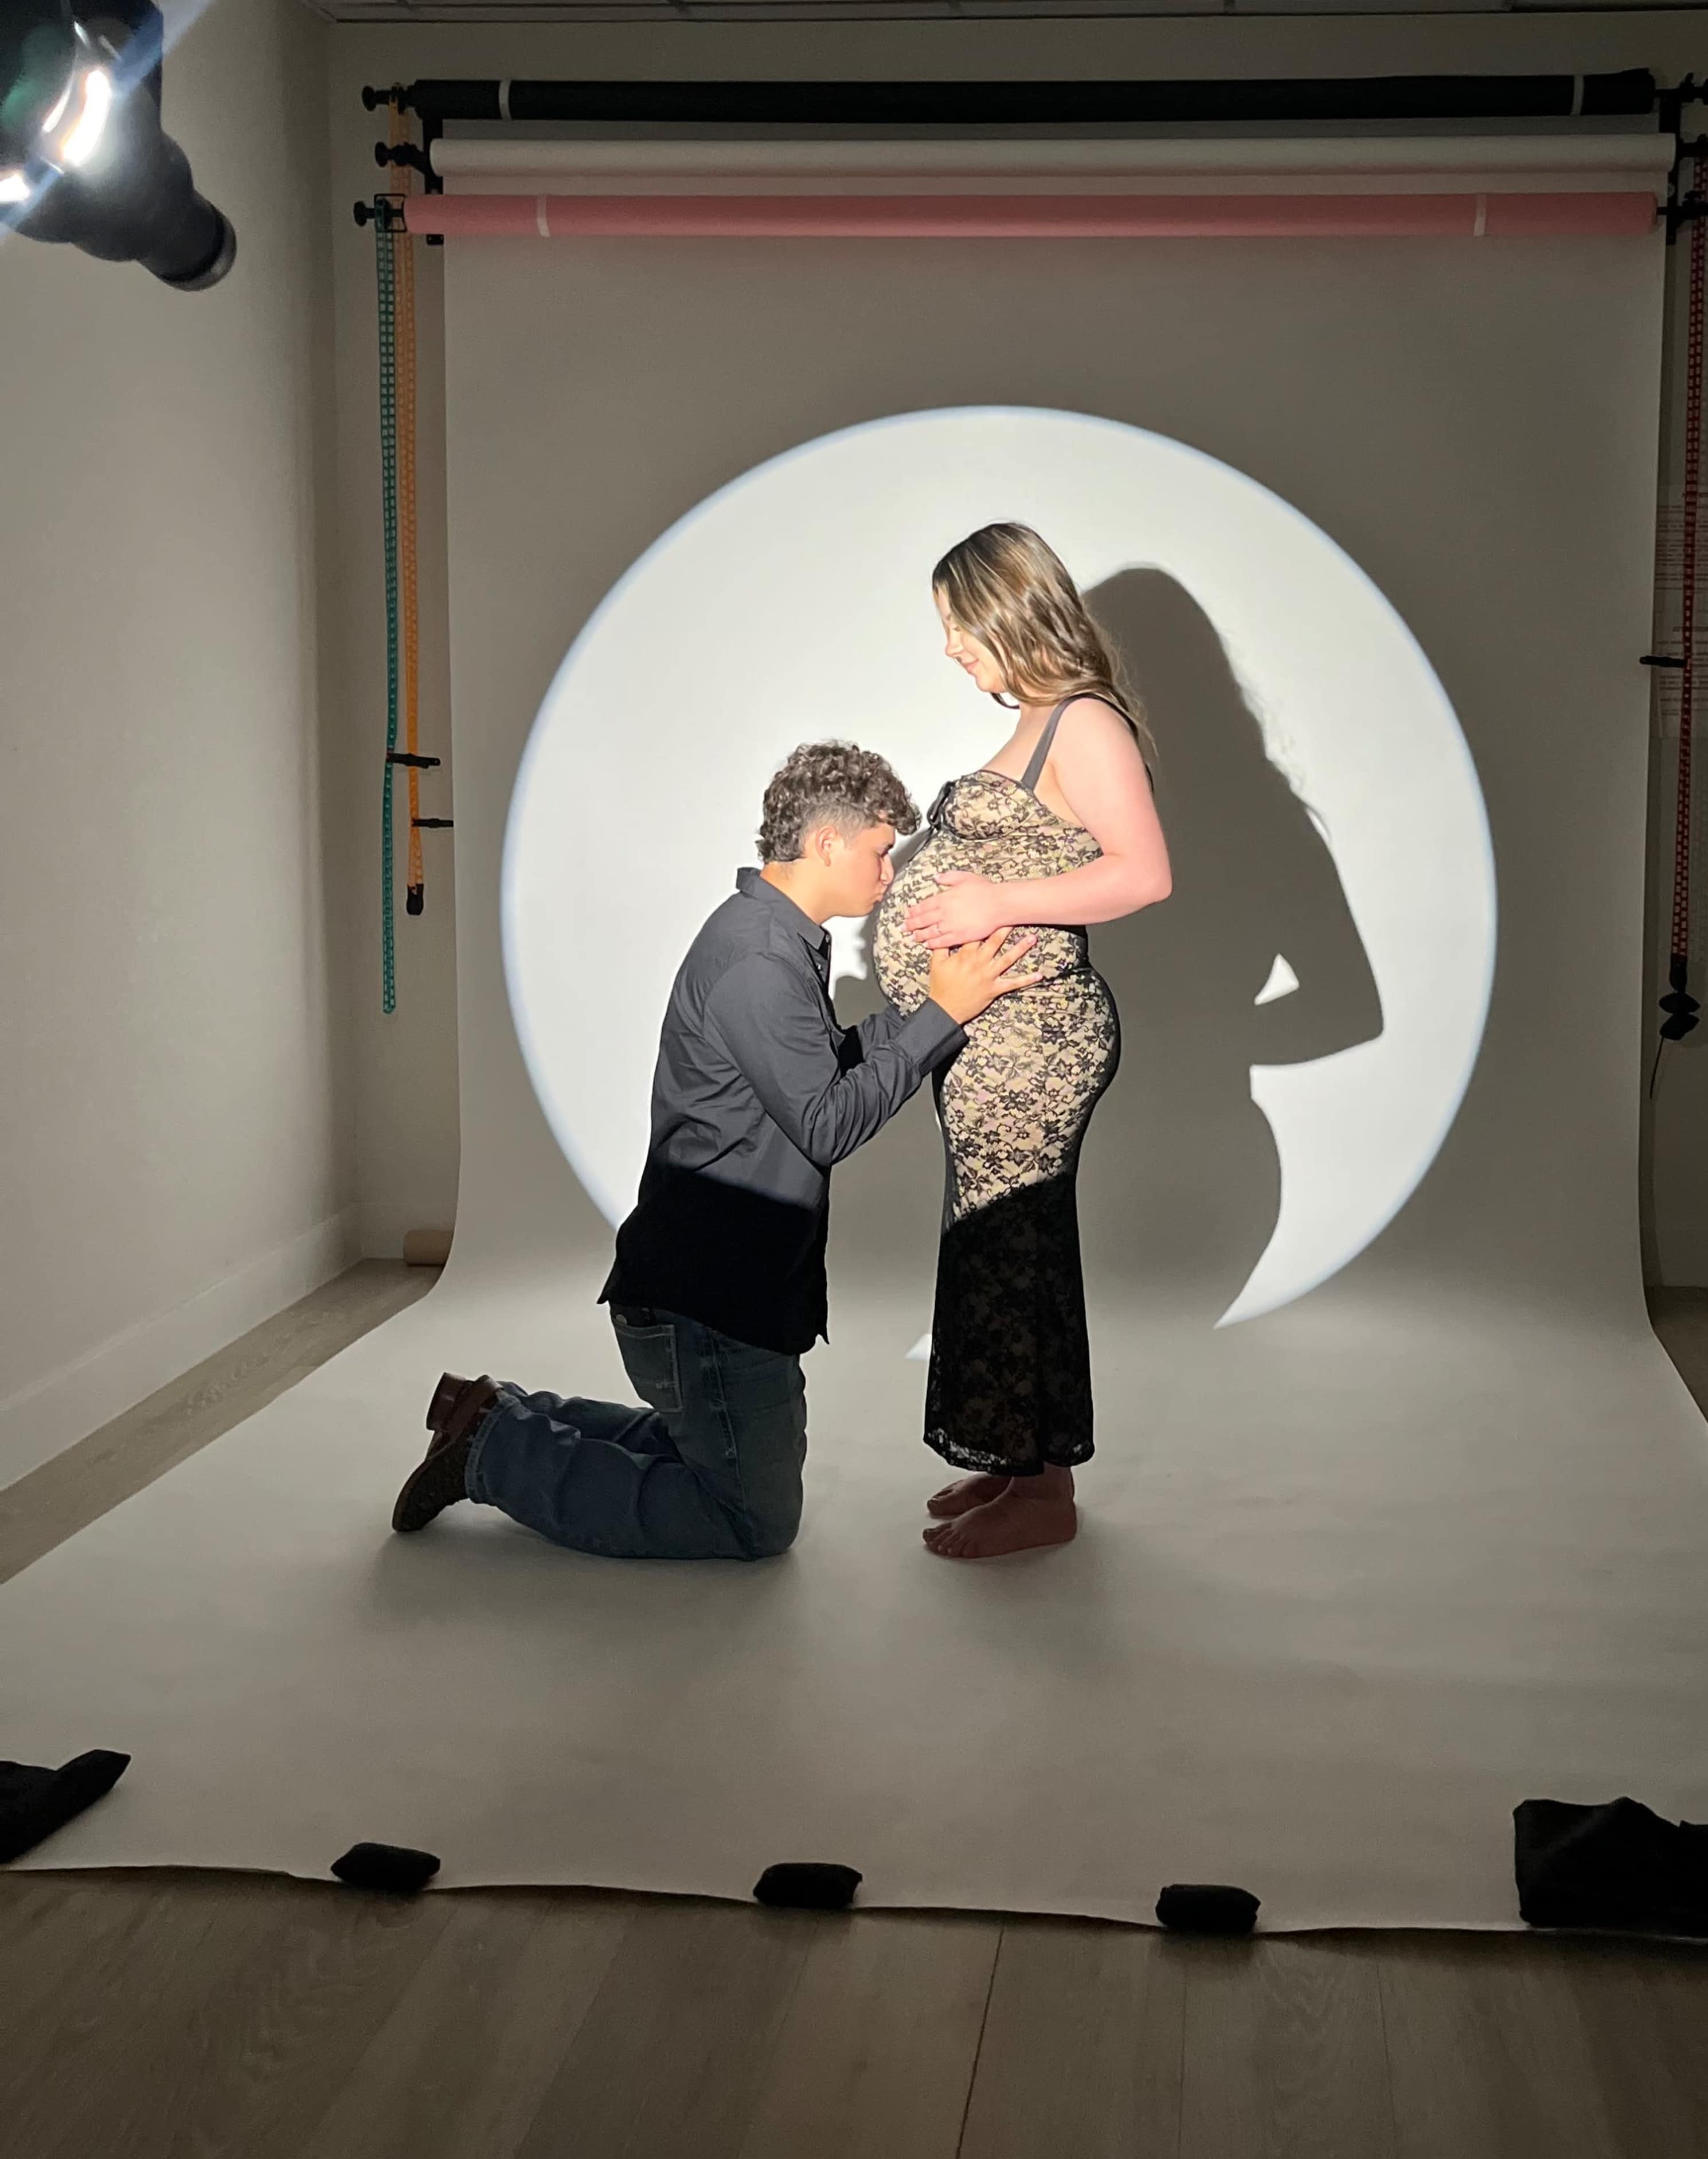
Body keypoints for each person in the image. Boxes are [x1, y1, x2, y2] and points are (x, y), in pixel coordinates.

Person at [390, 740, 1037, 1556]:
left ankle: (488, 1414)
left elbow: (820, 1061)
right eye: (879, 851)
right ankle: (492, 1454)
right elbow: (828, 1123)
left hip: (719, 1291)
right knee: (751, 1520)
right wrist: (941, 1018)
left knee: (721, 1461)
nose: (888, 873)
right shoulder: (760, 960)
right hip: (704, 1307)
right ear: (827, 843)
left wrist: (933, 1010)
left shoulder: (775, 936)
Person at [873, 522, 1172, 1560]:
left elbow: (1143, 873)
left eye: (959, 624)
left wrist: (995, 899)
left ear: (1009, 609)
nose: (951, 649)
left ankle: (1046, 1496)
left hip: (1038, 1040)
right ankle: (1015, 1464)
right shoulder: (1044, 719)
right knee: (998, 1248)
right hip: (993, 1038)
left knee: (1017, 1252)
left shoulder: (1085, 722)